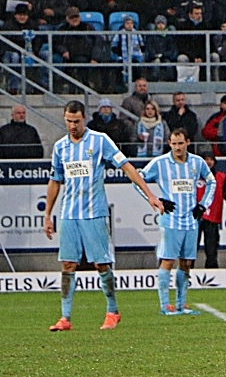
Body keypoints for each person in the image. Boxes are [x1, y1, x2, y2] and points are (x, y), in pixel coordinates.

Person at [46, 100, 165, 332]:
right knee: (68, 264)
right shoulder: (60, 147)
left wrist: (149, 194)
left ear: (84, 119)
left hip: (95, 213)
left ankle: (112, 310)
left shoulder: (99, 141)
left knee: (101, 264)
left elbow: (127, 166)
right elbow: (55, 180)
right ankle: (65, 317)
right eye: (68, 121)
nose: (72, 125)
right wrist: (48, 214)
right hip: (69, 214)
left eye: (76, 121)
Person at [138, 128, 215, 315]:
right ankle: (165, 306)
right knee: (167, 261)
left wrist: (203, 205)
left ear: (188, 142)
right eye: (174, 143)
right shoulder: (160, 163)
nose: (177, 147)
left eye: (181, 143)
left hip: (190, 220)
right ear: (169, 143)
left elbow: (211, 182)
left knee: (186, 263)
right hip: (170, 220)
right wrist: (155, 199)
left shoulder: (197, 162)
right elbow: (138, 180)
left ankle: (181, 304)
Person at [197, 152, 226, 269]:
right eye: (206, 159)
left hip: (212, 219)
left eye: (211, 159)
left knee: (212, 250)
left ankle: (212, 275)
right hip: (195, 218)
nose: (208, 162)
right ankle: (187, 275)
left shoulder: (220, 177)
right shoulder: (194, 176)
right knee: (191, 250)